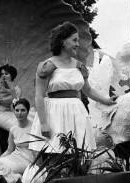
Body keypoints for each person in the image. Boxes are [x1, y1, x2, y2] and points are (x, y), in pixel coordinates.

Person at [29, 21, 117, 153]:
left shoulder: (79, 66)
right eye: (74, 40)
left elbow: (88, 90)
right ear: (63, 42)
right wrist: (43, 123)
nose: (77, 44)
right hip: (54, 114)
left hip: (76, 113)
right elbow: (39, 95)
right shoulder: (47, 66)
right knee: (54, 152)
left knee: (77, 152)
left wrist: (106, 100)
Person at [0, 98, 37, 183]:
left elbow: (38, 152)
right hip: (15, 156)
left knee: (3, 169)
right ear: (13, 112)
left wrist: (37, 169)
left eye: (23, 110)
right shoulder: (13, 129)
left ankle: (17, 178)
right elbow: (9, 150)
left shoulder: (34, 128)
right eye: (17, 110)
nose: (19, 113)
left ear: (28, 111)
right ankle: (14, 178)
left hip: (28, 160)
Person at [0, 64, 23, 152]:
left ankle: (19, 150)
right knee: (15, 126)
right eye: (2, 74)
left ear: (12, 75)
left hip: (10, 111)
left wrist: (12, 89)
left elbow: (16, 106)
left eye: (6, 74)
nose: (4, 76)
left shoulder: (16, 89)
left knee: (24, 122)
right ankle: (10, 150)